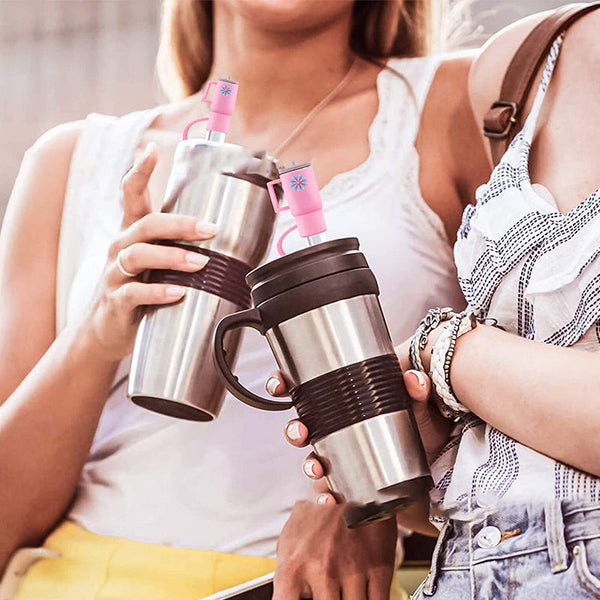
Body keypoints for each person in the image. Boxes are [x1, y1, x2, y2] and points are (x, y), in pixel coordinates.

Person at [0, 0, 489, 598]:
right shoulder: (71, 160)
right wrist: (94, 336)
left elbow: (542, 431)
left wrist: (370, 504)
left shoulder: (460, 101)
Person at [278, 5, 600, 599]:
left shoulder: (445, 95)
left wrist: (446, 354)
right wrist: (426, 447)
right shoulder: (522, 64)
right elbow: (522, 476)